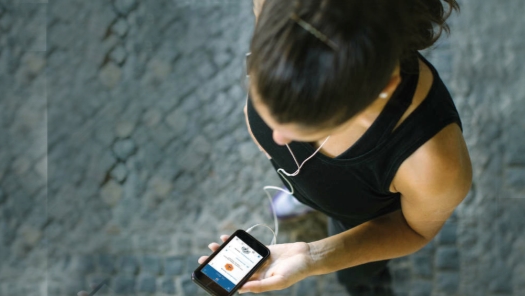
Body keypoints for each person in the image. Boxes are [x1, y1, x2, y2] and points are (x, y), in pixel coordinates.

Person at [200, 0, 472, 295]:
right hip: (318, 183)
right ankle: (305, 195)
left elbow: (414, 228)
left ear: (386, 86)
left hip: (362, 219)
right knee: (316, 189)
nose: (276, 138)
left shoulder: (435, 166)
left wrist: (312, 257)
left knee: (360, 274)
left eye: (305, 125)